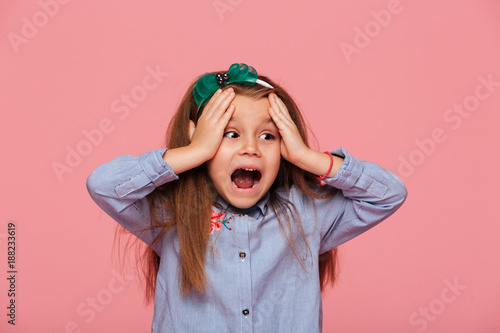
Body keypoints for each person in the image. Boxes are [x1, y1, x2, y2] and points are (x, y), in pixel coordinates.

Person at [86, 63, 407, 332]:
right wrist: (193, 150)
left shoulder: (309, 212)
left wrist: (308, 157)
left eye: (268, 135)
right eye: (230, 133)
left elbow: (389, 194)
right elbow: (103, 184)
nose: (250, 147)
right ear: (198, 135)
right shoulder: (172, 214)